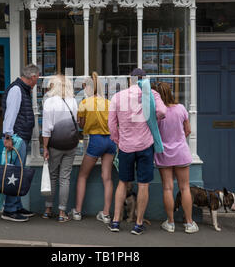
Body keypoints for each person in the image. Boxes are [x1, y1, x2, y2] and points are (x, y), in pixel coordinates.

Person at [107, 68, 167, 235]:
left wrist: (118, 140)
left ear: (129, 80)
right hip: (145, 145)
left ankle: (116, 221)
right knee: (143, 184)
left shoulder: (118, 97)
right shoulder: (152, 95)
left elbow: (111, 125)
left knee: (122, 182)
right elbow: (163, 111)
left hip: (126, 146)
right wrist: (154, 118)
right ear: (145, 80)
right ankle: (138, 224)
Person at [69, 72, 116, 223]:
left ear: (87, 87)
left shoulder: (84, 103)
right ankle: (106, 214)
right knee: (107, 177)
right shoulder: (109, 103)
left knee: (83, 175)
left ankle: (77, 211)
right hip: (110, 141)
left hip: (95, 140)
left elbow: (80, 125)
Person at [152, 81, 198, 234]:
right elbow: (188, 130)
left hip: (164, 154)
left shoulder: (157, 114)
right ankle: (189, 223)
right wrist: (178, 140)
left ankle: (170, 223)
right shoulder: (181, 109)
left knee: (167, 187)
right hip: (181, 152)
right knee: (185, 187)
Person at [0, 64, 40, 222]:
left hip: (20, 136)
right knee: (13, 174)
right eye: (37, 77)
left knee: (17, 173)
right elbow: (10, 114)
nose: (37, 81)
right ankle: (9, 210)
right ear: (33, 77)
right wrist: (7, 136)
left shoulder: (22, 89)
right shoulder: (16, 90)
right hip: (16, 137)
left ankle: (16, 205)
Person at [42, 74, 78, 222]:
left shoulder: (49, 102)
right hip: (71, 144)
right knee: (65, 178)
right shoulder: (74, 101)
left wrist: (45, 147)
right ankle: (62, 213)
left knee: (52, 176)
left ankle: (48, 209)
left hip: (55, 145)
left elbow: (46, 129)